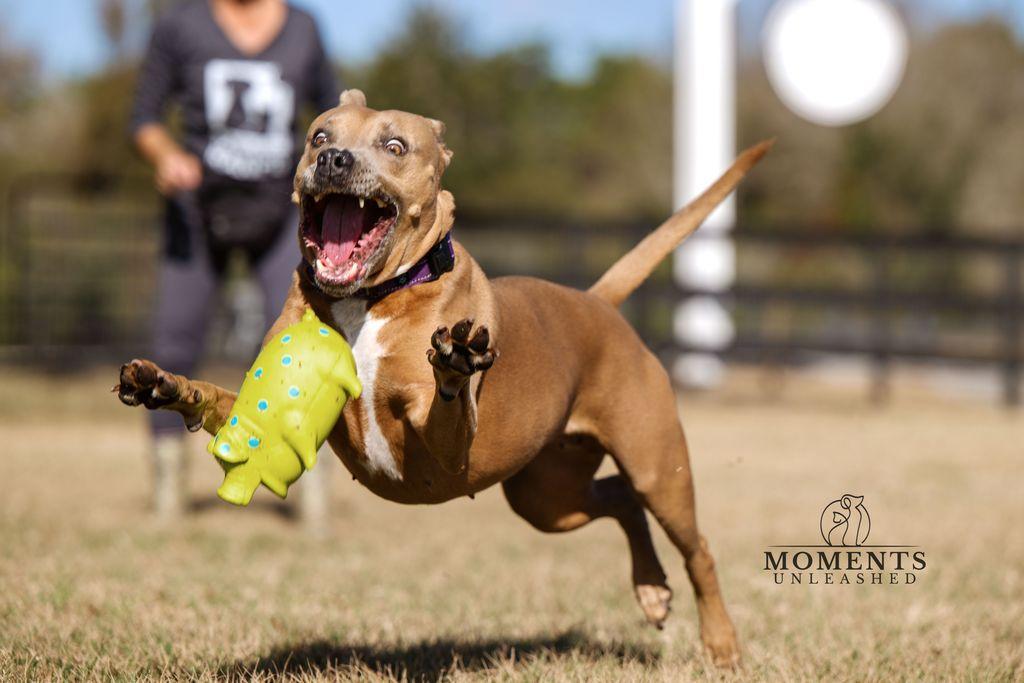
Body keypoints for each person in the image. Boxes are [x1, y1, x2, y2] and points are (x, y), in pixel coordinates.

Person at [130, 0, 338, 521]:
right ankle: (167, 489)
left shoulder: (305, 28)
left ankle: (308, 484)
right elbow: (144, 118)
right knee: (171, 342)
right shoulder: (179, 25)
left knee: (302, 348)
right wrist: (166, 156)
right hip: (195, 212)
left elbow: (337, 117)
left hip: (281, 215)